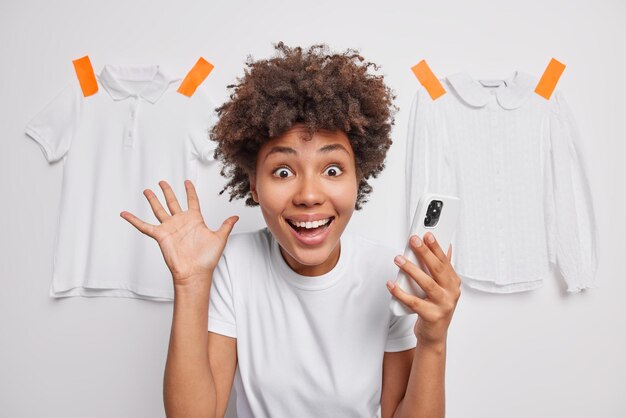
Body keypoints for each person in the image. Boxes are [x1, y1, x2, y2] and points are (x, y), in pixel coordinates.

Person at [120, 42, 461, 418]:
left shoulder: (389, 274)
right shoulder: (233, 265)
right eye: (283, 171)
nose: (309, 195)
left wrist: (433, 341)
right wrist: (190, 284)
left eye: (332, 170)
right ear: (253, 184)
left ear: (357, 179)